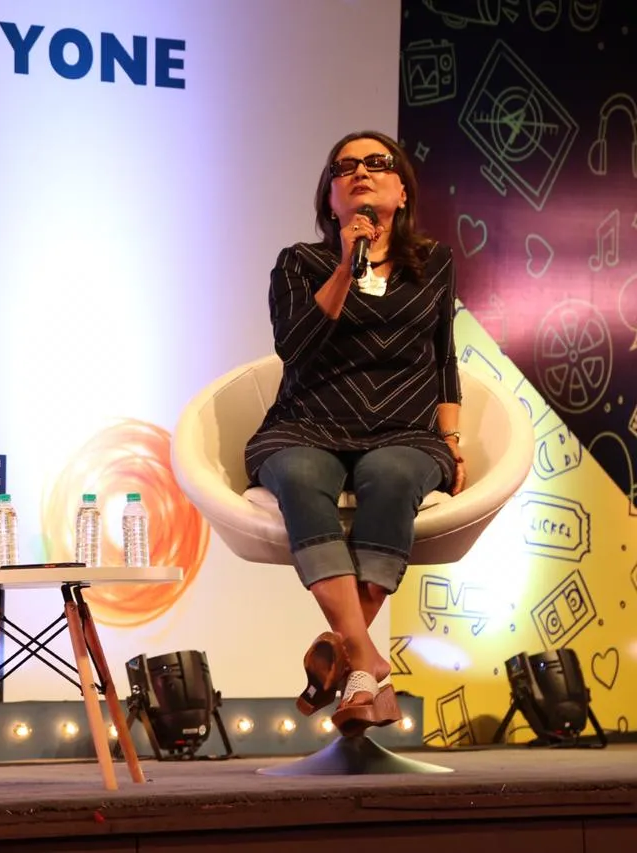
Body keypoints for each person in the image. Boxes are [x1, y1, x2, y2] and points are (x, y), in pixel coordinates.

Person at [243, 131, 464, 736]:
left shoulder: (435, 262)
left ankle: (344, 655)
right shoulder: (300, 263)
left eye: (375, 163)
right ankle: (366, 663)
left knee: (393, 476)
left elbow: (444, 354)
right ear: (331, 198)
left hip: (403, 430)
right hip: (307, 423)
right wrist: (346, 264)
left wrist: (450, 438)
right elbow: (293, 346)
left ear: (400, 189)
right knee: (299, 473)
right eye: (344, 167)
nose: (359, 172)